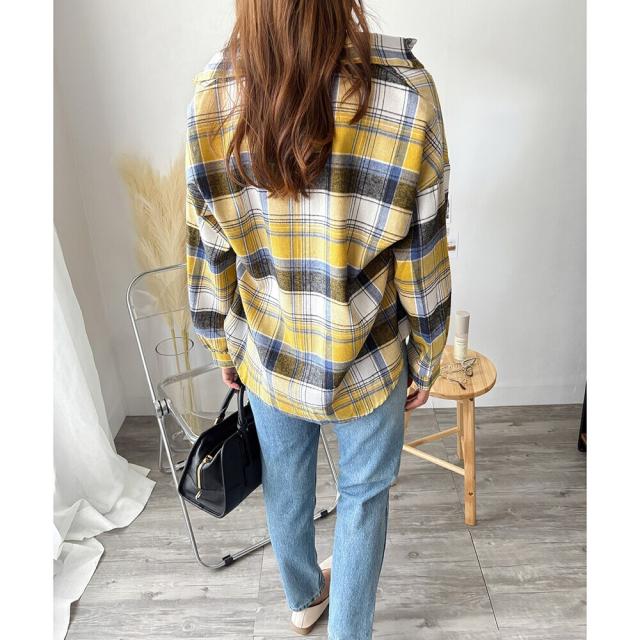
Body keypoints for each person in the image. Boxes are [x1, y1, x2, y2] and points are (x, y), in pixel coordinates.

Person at [185, 1, 451, 637]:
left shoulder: (214, 93)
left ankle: (304, 598)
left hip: (269, 348)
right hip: (370, 354)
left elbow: (208, 245)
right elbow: (423, 251)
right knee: (364, 497)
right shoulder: (406, 92)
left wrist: (222, 344)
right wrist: (428, 352)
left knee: (285, 483)